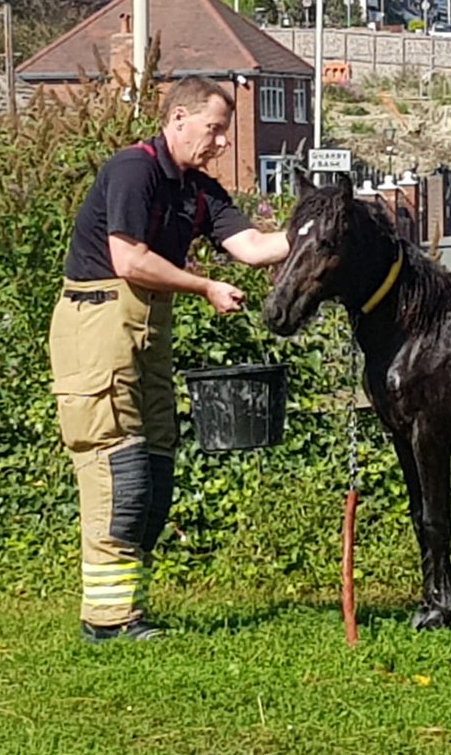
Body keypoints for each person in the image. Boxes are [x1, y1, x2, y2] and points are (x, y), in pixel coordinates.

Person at [48, 76, 290, 642]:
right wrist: (204, 287)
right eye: (215, 129)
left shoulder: (199, 192)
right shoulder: (133, 170)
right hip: (99, 321)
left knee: (154, 475)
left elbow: (254, 248)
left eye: (226, 131)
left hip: (147, 328)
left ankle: (128, 610)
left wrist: (322, 227)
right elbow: (128, 259)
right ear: (177, 118)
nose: (223, 142)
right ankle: (106, 622)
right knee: (119, 472)